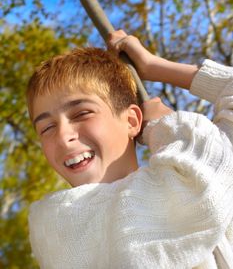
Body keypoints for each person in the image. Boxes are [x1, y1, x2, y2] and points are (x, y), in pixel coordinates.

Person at [27, 30, 233, 269]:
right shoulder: (58, 224)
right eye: (47, 127)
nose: (63, 137)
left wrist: (153, 65)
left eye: (82, 113)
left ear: (132, 121)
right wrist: (169, 127)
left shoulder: (197, 183)